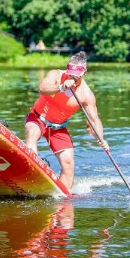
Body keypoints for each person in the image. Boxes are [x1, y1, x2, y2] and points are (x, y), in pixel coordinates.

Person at [25, 51, 109, 191]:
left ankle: (62, 196)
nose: (72, 78)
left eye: (76, 76)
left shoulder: (85, 94)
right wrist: (61, 87)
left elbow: (94, 120)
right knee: (32, 132)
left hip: (58, 127)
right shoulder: (56, 75)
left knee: (68, 164)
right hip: (38, 118)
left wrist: (100, 138)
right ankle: (32, 171)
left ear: (84, 73)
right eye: (70, 74)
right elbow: (42, 88)